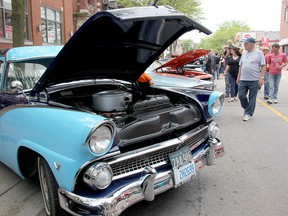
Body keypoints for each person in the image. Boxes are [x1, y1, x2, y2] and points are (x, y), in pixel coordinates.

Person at [236, 37, 266, 121]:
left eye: (246, 44)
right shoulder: (244, 53)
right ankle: (248, 108)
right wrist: (238, 77)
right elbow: (241, 66)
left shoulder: (259, 53)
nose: (244, 45)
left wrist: (262, 78)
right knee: (241, 95)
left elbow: (263, 65)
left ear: (251, 44)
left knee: (252, 97)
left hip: (254, 79)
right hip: (243, 79)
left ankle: (248, 113)